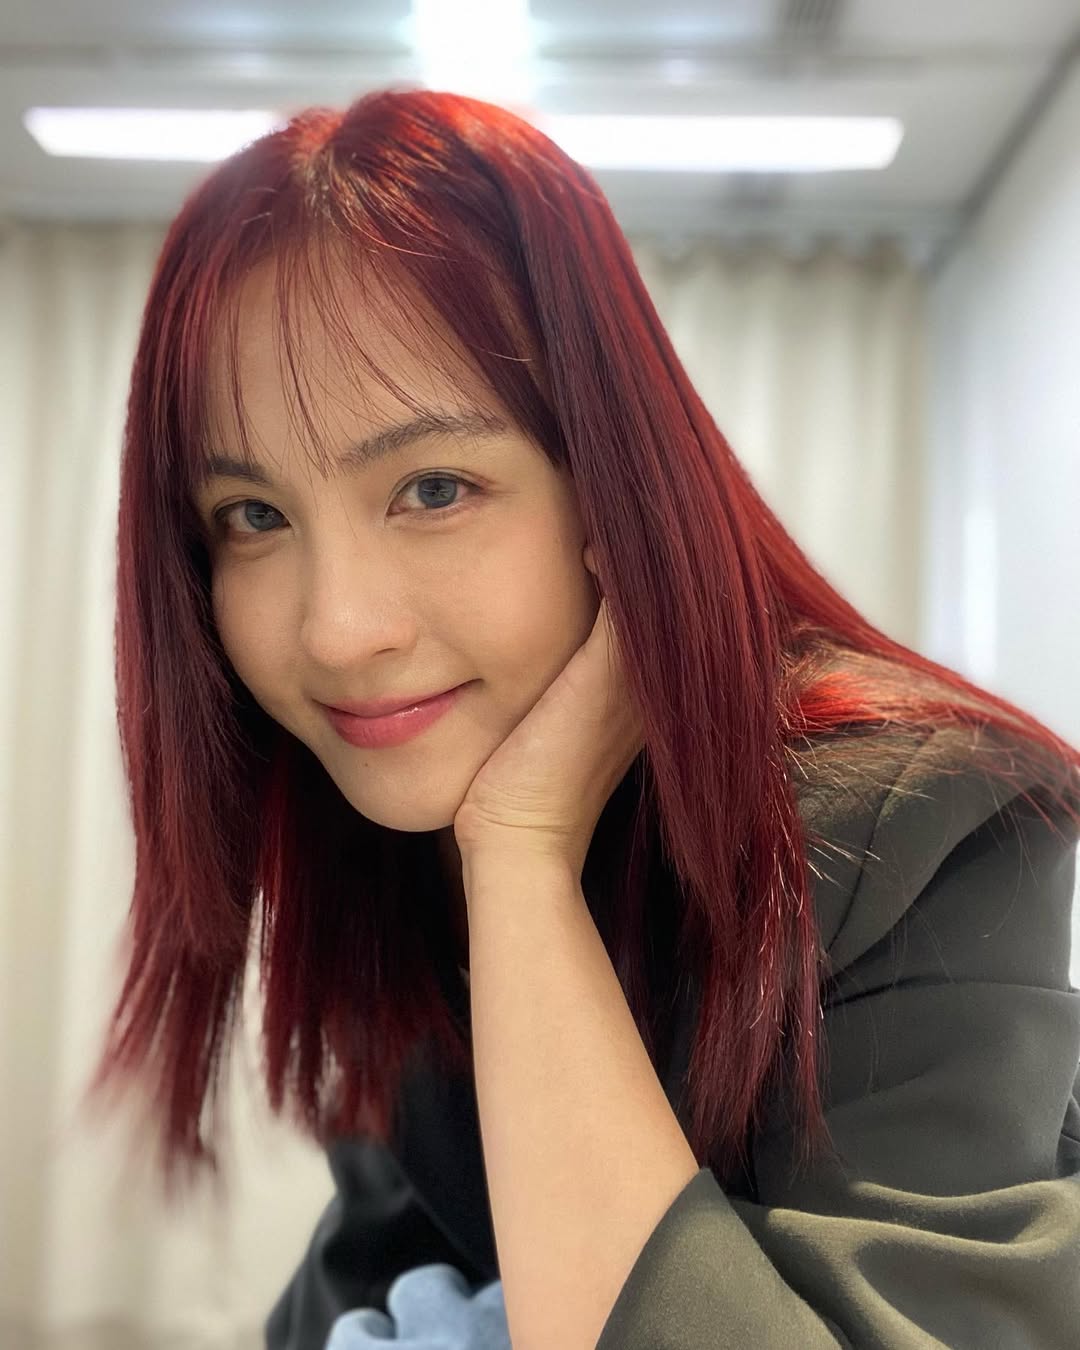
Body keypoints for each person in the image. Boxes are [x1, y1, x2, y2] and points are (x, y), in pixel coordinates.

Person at [82, 86, 1080, 1349]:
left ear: (612, 488)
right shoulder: (405, 819)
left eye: (434, 488)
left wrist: (522, 861)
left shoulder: (917, 823)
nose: (336, 631)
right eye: (255, 517)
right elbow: (375, 1273)